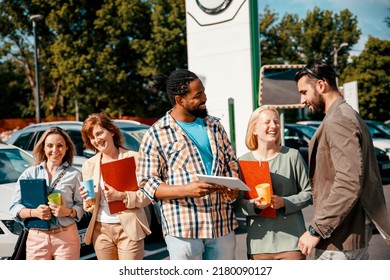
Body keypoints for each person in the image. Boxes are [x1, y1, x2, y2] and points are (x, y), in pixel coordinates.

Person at [137, 69, 240, 260]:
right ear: (180, 100)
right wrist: (186, 190)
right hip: (183, 228)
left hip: (222, 223)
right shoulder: (156, 134)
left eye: (204, 92)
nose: (205, 99)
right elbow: (146, 184)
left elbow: (231, 163)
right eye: (198, 95)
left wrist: (232, 186)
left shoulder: (215, 126)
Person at [295, 60, 390, 260]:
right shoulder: (346, 115)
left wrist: (316, 229)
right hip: (344, 237)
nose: (302, 100)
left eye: (304, 92)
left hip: (339, 241)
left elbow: (348, 182)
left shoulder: (339, 120)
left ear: (321, 85)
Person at [236, 105, 312, 260]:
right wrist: (254, 206)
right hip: (259, 245)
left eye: (276, 122)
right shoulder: (243, 161)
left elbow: (309, 193)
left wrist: (284, 202)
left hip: (292, 241)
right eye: (267, 122)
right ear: (254, 129)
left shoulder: (292, 156)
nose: (274, 126)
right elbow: (237, 203)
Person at [80, 113, 151, 260]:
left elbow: (148, 196)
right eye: (92, 137)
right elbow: (89, 206)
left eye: (99, 133)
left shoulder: (134, 158)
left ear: (111, 131)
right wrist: (88, 199)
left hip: (128, 229)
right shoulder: (89, 165)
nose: (96, 140)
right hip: (101, 231)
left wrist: (122, 196)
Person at [9, 126, 83, 260]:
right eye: (50, 146)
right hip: (37, 239)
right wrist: (34, 212)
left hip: (66, 238)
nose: (55, 150)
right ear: (43, 147)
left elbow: (82, 205)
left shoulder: (75, 175)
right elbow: (14, 207)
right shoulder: (30, 174)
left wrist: (67, 212)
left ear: (67, 148)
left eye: (60, 145)